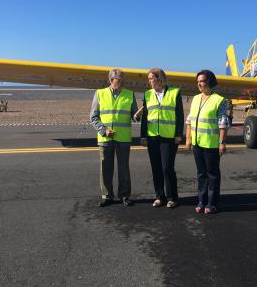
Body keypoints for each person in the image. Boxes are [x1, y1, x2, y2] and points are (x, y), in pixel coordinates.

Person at [90, 69, 138, 207]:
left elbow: (133, 116)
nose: (122, 82)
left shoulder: (129, 94)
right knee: (105, 168)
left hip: (123, 138)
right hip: (105, 139)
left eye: (123, 79)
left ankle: (124, 195)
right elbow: (93, 117)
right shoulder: (100, 93)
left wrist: (137, 116)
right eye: (119, 79)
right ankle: (107, 196)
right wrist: (103, 131)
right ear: (111, 80)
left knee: (124, 168)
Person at [185, 70, 229, 214]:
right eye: (198, 81)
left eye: (202, 81)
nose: (199, 84)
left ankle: (212, 203)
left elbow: (223, 122)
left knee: (212, 174)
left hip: (211, 143)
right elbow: (190, 120)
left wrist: (222, 142)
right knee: (201, 173)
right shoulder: (196, 98)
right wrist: (188, 139)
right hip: (197, 143)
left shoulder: (219, 100)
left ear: (209, 81)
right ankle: (201, 200)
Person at [141, 68, 184, 208]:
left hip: (169, 137)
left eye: (151, 78)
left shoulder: (174, 93)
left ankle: (172, 197)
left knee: (167, 167)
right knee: (156, 168)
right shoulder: (147, 94)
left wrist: (178, 134)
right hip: (153, 137)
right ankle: (159, 196)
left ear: (159, 79)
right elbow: (145, 118)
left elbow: (179, 115)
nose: (149, 81)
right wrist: (143, 136)